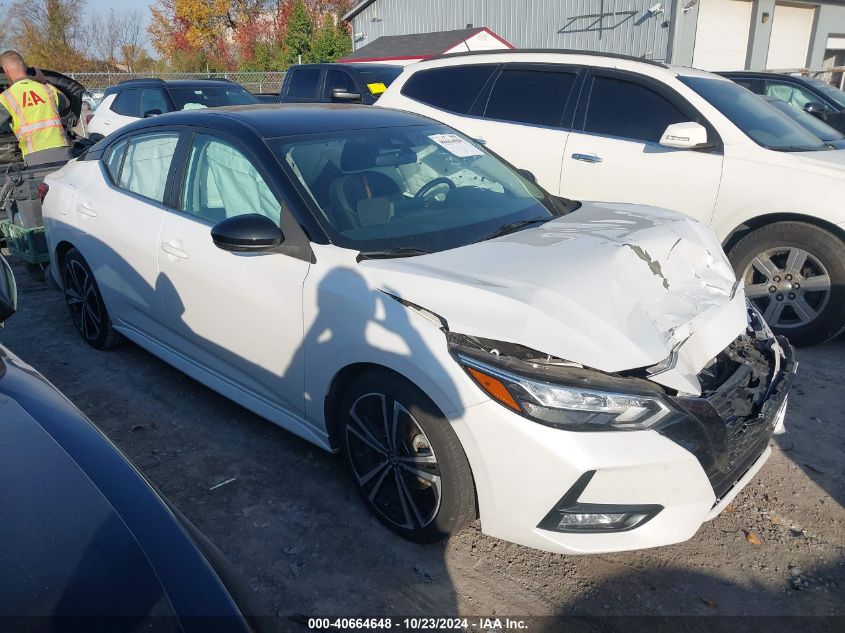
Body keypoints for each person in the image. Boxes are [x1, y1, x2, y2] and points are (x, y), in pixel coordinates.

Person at [0, 50, 70, 167]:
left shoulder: (6, 97)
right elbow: (66, 105)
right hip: (62, 151)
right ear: (25, 67)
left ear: (6, 70)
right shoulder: (47, 89)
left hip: (35, 156)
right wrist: (44, 82)